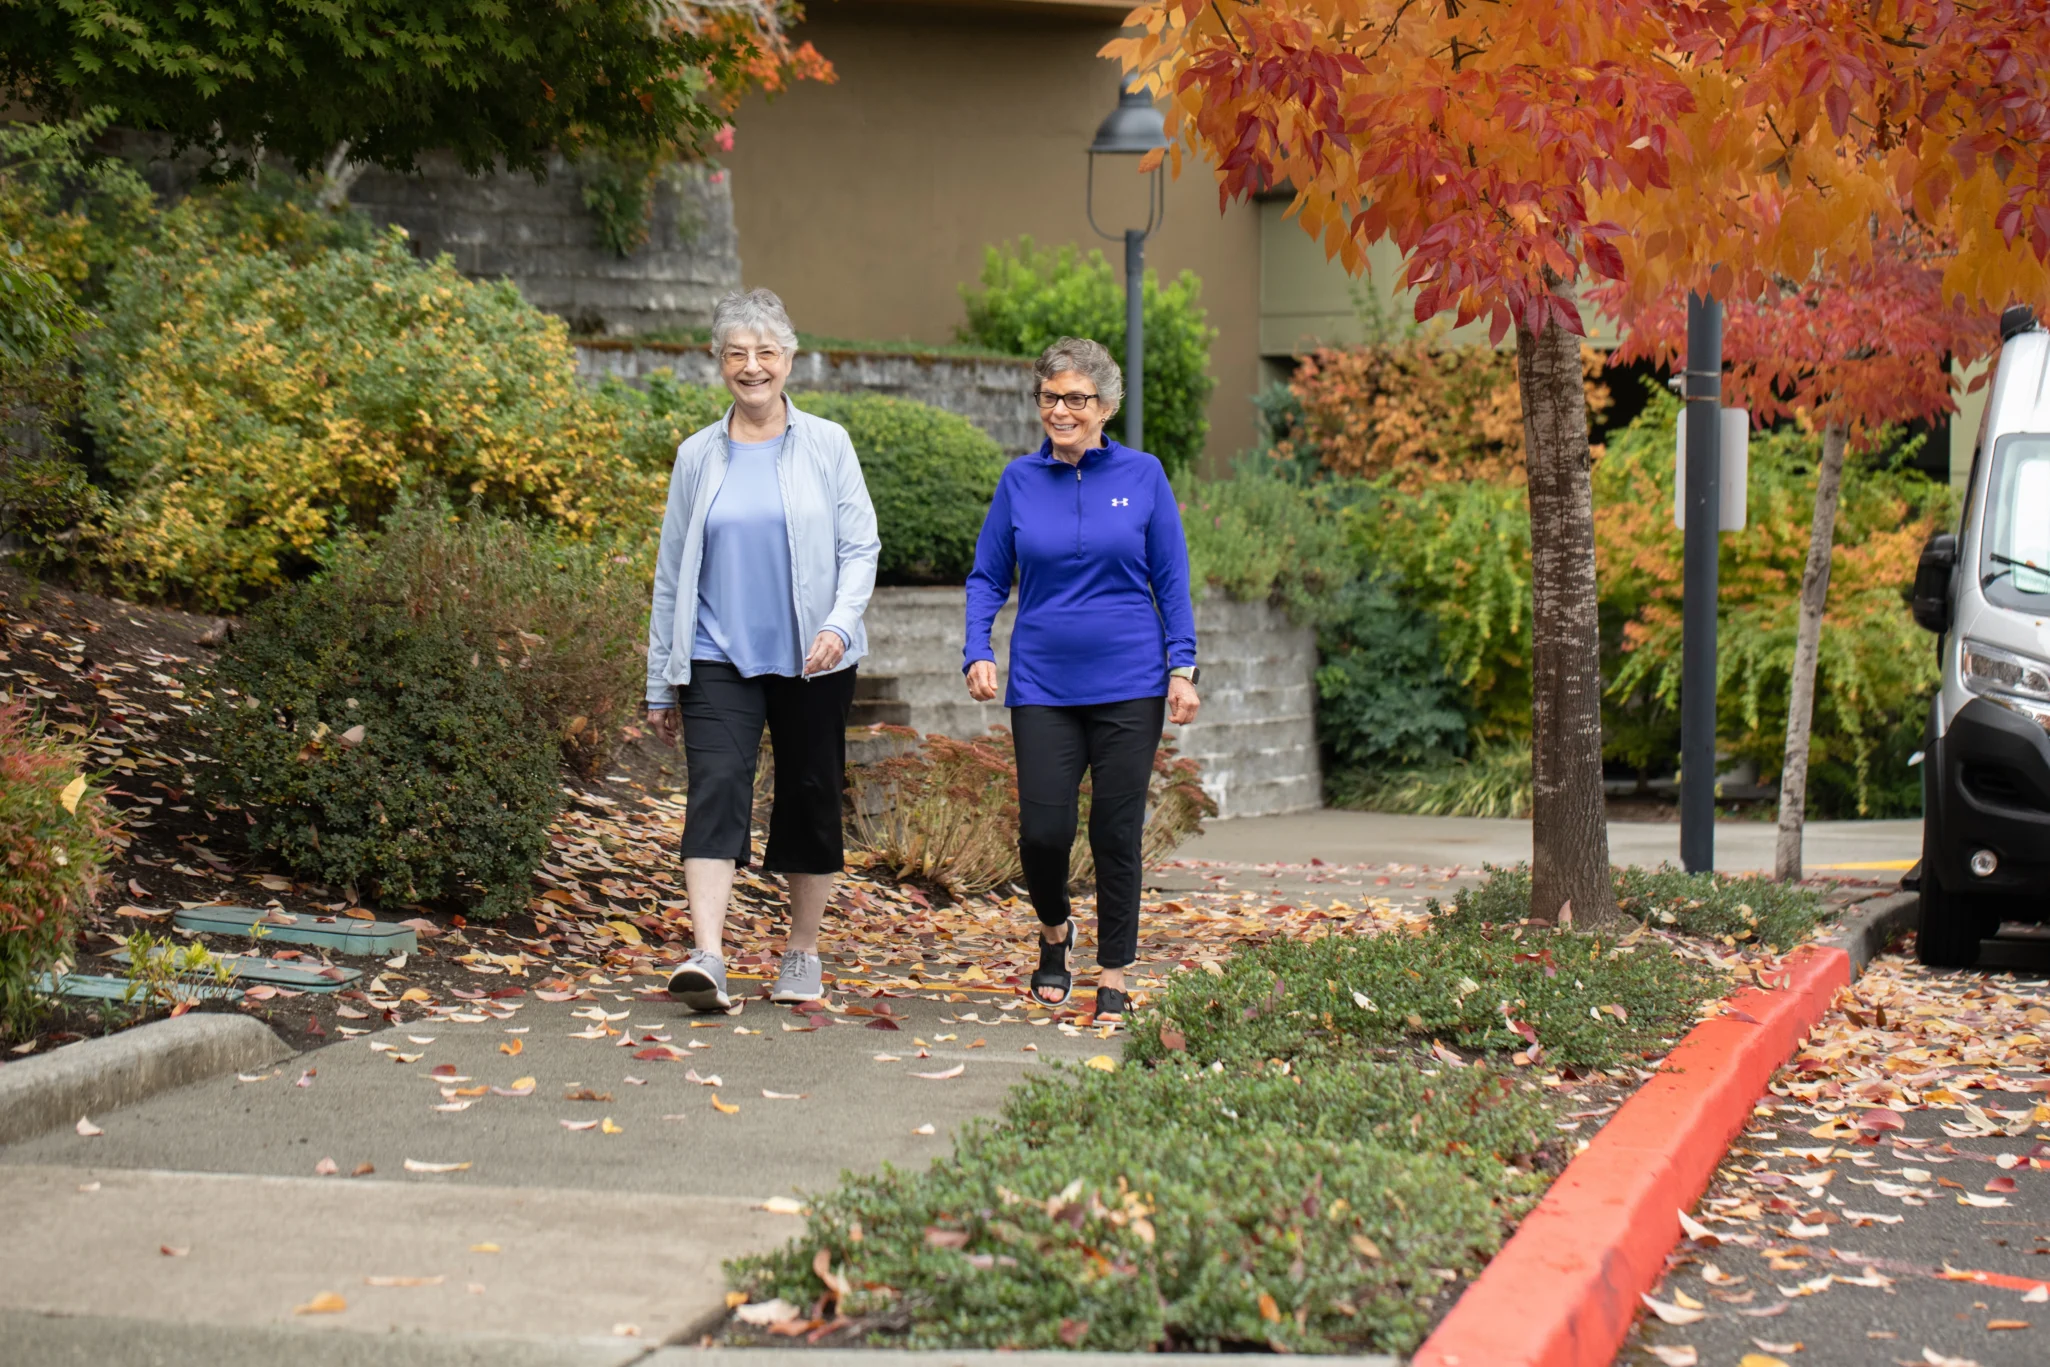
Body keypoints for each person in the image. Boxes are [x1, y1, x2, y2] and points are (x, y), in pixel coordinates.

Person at [646, 288, 880, 1012]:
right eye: (738, 354)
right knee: (716, 785)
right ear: (719, 363)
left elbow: (859, 546)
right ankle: (709, 956)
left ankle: (802, 951)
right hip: (718, 653)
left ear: (790, 358)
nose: (753, 368)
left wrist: (839, 625)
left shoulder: (828, 444)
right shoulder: (696, 456)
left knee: (810, 795)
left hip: (814, 658)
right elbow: (672, 568)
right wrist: (662, 676)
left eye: (767, 353)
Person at [962, 337, 1200, 1022]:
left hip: (1130, 681)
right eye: (1050, 397)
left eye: (1075, 398)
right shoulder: (1019, 481)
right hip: (1042, 682)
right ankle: (1054, 930)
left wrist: (1181, 667)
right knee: (1041, 832)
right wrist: (978, 646)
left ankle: (1116, 972)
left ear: (1105, 406)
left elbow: (1171, 579)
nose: (1060, 410)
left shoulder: (1144, 474)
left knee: (1116, 833)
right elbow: (986, 575)